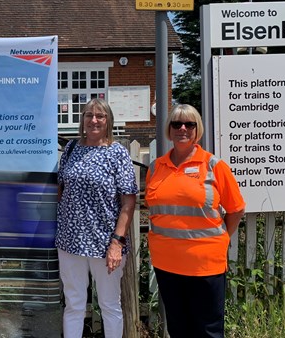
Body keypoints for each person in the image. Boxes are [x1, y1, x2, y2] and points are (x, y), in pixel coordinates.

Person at [145, 104, 245, 338]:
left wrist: (222, 239)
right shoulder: (156, 168)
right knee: (178, 328)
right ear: (169, 129)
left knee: (208, 330)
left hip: (205, 265)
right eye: (176, 124)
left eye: (189, 124)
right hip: (167, 264)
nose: (182, 128)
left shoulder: (213, 166)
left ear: (197, 129)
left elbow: (236, 209)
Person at [56, 98, 138, 338]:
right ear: (82, 120)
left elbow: (128, 202)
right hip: (70, 242)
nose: (93, 120)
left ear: (108, 121)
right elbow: (62, 191)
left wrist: (116, 242)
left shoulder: (117, 153)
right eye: (89, 115)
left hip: (106, 245)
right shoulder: (70, 149)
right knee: (73, 304)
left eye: (100, 116)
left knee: (109, 305)